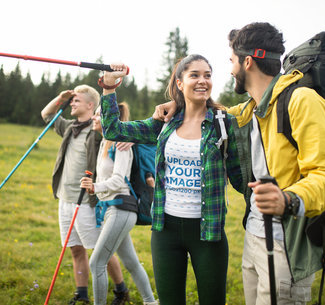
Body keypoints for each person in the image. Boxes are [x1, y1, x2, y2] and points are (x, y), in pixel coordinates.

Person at [153, 22, 325, 305]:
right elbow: (209, 114)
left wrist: (289, 199)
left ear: (247, 62)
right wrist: (180, 106)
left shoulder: (302, 101)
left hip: (287, 242)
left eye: (232, 61)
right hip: (255, 235)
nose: (230, 69)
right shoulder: (250, 110)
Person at [97, 55, 243, 305]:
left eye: (207, 75)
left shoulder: (224, 122)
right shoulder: (164, 121)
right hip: (165, 229)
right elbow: (113, 130)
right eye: (194, 75)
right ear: (179, 83)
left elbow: (241, 178)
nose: (202, 81)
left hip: (208, 231)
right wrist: (109, 88)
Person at [41, 86, 130, 305]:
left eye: (76, 100)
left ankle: (121, 290)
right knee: (75, 249)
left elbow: (119, 134)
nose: (72, 104)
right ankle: (81, 294)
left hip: (88, 201)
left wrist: (128, 138)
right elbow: (47, 115)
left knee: (100, 251)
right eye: (71, 101)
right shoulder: (70, 127)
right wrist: (60, 98)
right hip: (65, 198)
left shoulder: (99, 129)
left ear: (91, 105)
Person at [80, 103, 157, 305]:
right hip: (109, 210)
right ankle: (151, 302)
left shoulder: (120, 145)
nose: (94, 118)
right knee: (131, 262)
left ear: (108, 120)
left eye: (98, 115)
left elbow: (118, 181)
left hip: (121, 209)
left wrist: (94, 187)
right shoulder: (104, 142)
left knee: (96, 262)